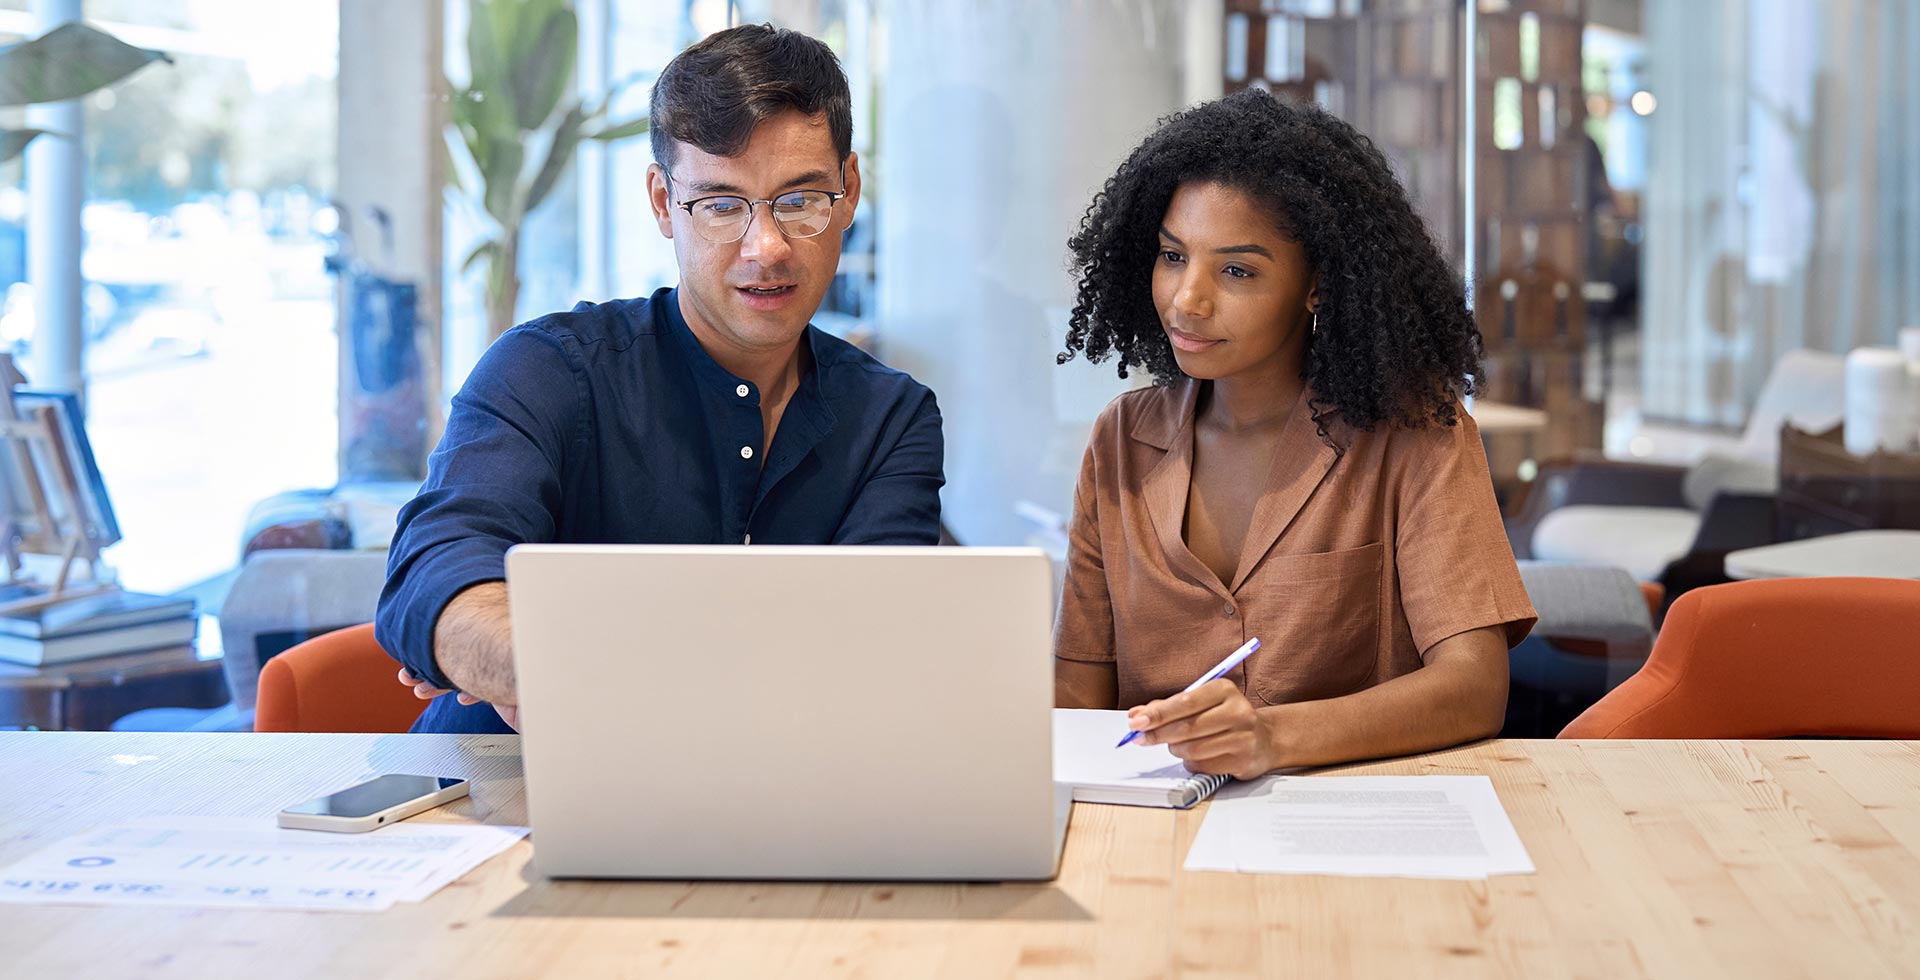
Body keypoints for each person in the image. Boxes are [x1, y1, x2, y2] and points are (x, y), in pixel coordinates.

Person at [378, 24, 944, 734]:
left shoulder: (892, 419)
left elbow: (873, 655)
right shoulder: (548, 369)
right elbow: (436, 576)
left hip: (774, 806)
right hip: (499, 801)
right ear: (660, 203)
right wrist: (479, 638)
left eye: (799, 201)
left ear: (849, 190)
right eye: (720, 205)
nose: (764, 249)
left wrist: (567, 666)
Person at [1053, 89, 1536, 778]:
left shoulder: (1413, 431)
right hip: (1153, 824)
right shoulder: (1121, 442)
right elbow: (1078, 696)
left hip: (1354, 826)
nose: (1188, 299)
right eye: (1172, 256)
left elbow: (1475, 687)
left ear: (1316, 286)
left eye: (1238, 270)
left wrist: (1273, 737)